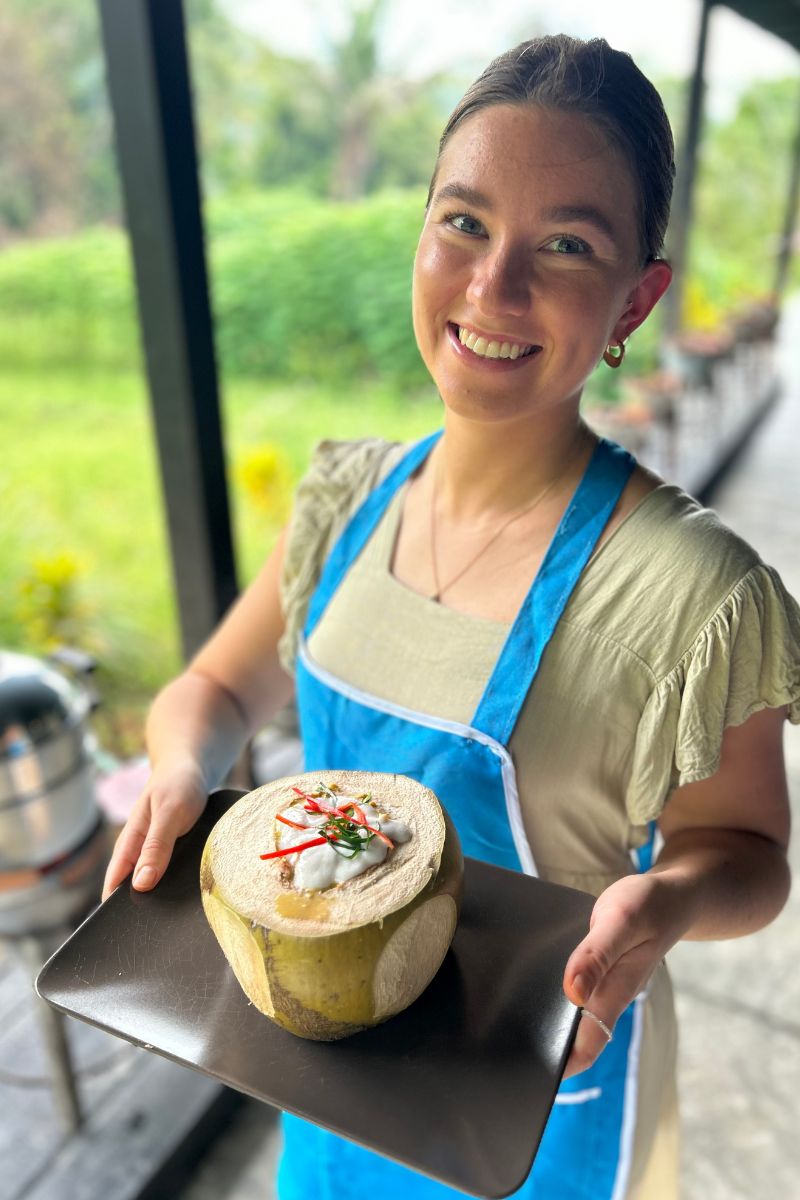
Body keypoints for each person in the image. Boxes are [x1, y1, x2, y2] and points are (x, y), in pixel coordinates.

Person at [103, 33, 799, 1200]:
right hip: (327, 1072)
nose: (492, 287)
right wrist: (183, 765)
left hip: (533, 1103)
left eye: (564, 245)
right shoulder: (343, 504)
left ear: (636, 295)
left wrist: (666, 899)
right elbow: (215, 691)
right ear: (421, 232)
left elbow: (748, 854)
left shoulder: (693, 594)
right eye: (464, 223)